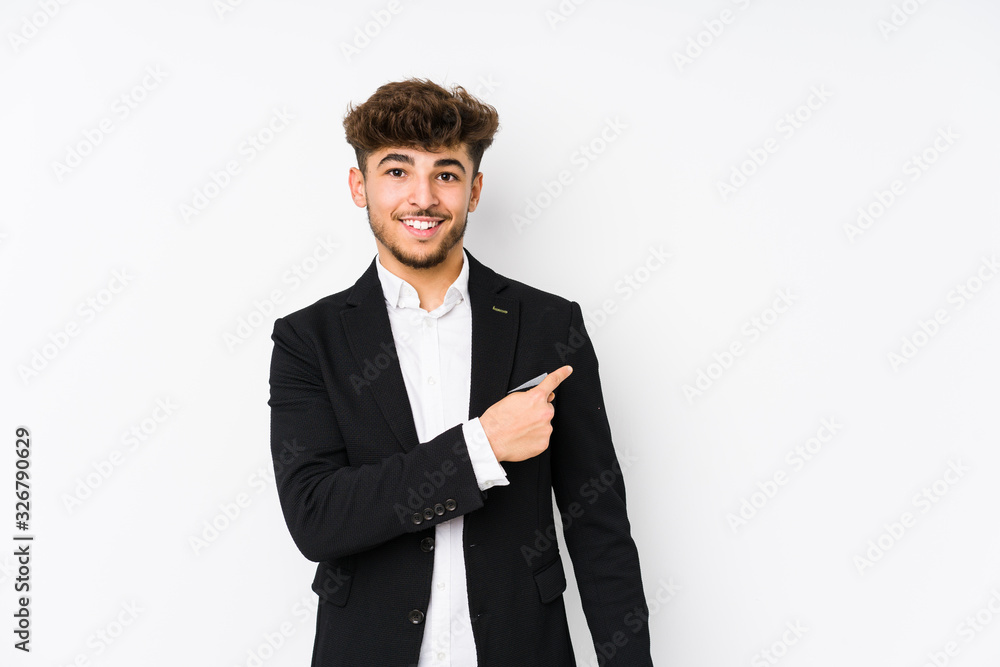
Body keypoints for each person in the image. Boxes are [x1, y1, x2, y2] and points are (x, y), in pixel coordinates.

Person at [268, 78, 652, 666]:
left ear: (474, 190)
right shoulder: (307, 340)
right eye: (397, 171)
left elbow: (598, 524)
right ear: (359, 186)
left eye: (445, 174)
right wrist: (482, 446)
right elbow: (317, 518)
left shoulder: (548, 325)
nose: (422, 198)